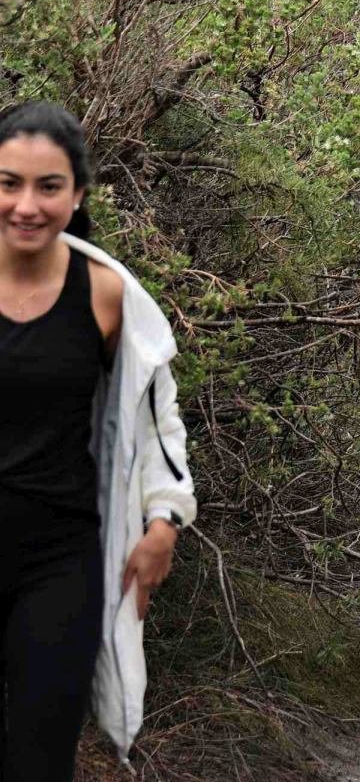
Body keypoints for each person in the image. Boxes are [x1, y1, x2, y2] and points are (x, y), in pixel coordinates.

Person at [0, 101, 196, 778]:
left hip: (61, 559)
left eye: (48, 186)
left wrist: (164, 520)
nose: (27, 205)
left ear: (77, 193)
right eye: (8, 183)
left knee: (37, 758)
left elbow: (154, 418)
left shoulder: (107, 295)